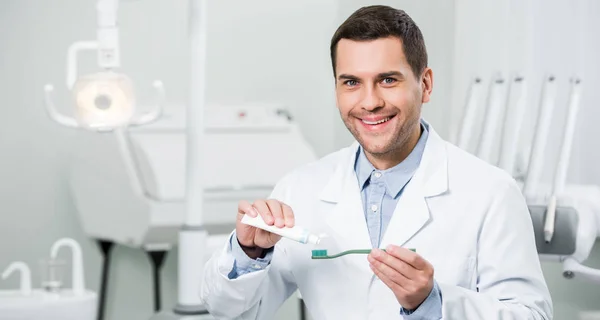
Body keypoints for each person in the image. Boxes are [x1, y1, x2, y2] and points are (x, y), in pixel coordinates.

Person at [200, 5, 553, 320]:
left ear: (425, 85)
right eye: (351, 82)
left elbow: (531, 314)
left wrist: (433, 303)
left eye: (387, 80)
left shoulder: (490, 192)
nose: (369, 102)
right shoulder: (301, 189)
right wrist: (249, 252)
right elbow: (233, 312)